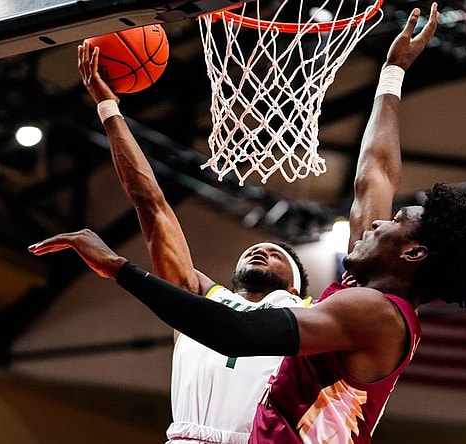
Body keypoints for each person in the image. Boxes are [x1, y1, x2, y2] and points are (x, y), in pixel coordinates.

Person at [31, 3, 466, 442]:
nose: (378, 223)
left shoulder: (373, 315)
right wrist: (393, 71)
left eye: (395, 221)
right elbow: (375, 173)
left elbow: (235, 332)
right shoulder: (364, 291)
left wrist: (117, 266)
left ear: (414, 252)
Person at [76, 36, 312, 444]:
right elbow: (151, 203)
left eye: (277, 255)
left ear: (294, 288)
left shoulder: (308, 320)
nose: (261, 248)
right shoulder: (200, 301)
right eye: (257, 247)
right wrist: (107, 106)